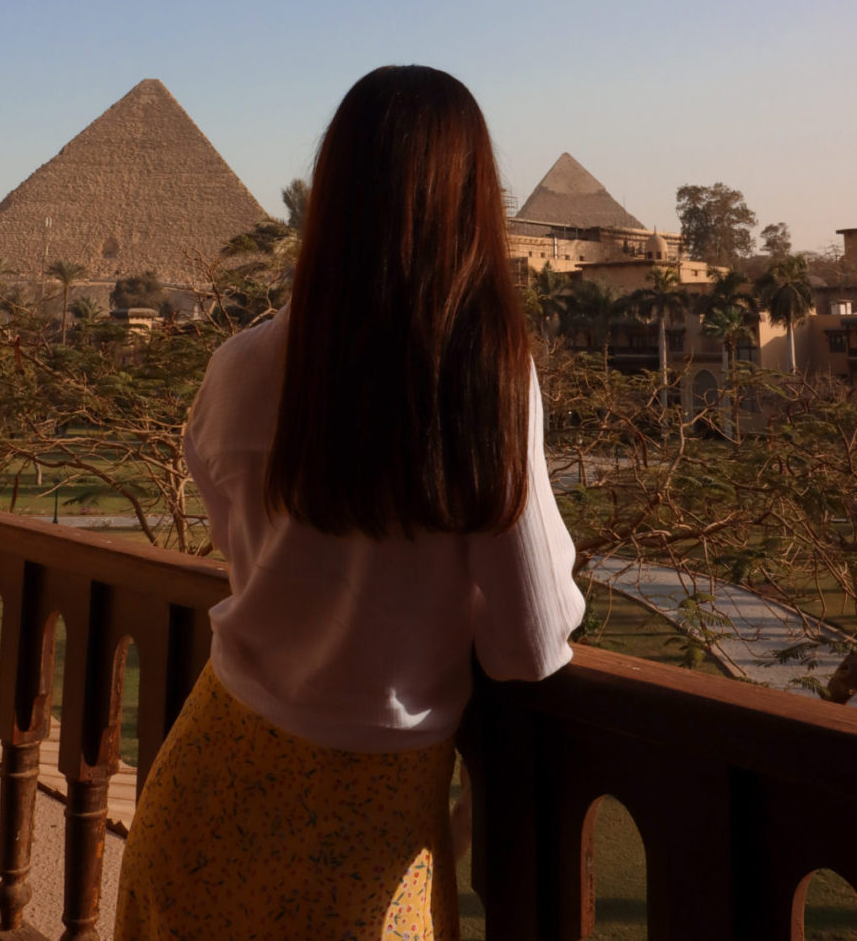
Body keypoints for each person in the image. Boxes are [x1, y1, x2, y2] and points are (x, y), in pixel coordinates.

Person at [114, 65, 584, 941]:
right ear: (473, 200)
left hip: (208, 780)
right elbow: (530, 643)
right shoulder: (484, 379)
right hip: (365, 831)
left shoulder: (240, 364)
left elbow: (242, 550)